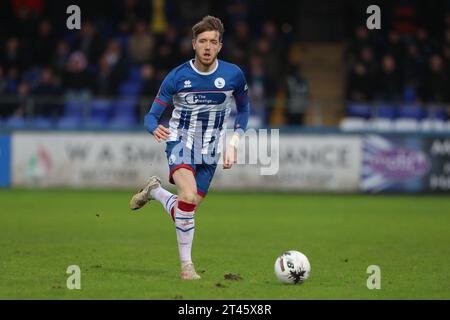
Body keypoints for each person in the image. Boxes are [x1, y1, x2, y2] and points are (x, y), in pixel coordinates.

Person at [129, 16, 250, 280]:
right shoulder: (177, 77)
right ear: (194, 44)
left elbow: (244, 110)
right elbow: (151, 116)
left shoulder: (233, 75)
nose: (208, 47)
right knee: (187, 196)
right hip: (180, 142)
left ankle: (155, 191)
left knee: (188, 205)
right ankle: (187, 267)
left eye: (213, 42)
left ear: (220, 46)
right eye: (203, 41)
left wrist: (233, 143)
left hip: (211, 149)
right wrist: (154, 127)